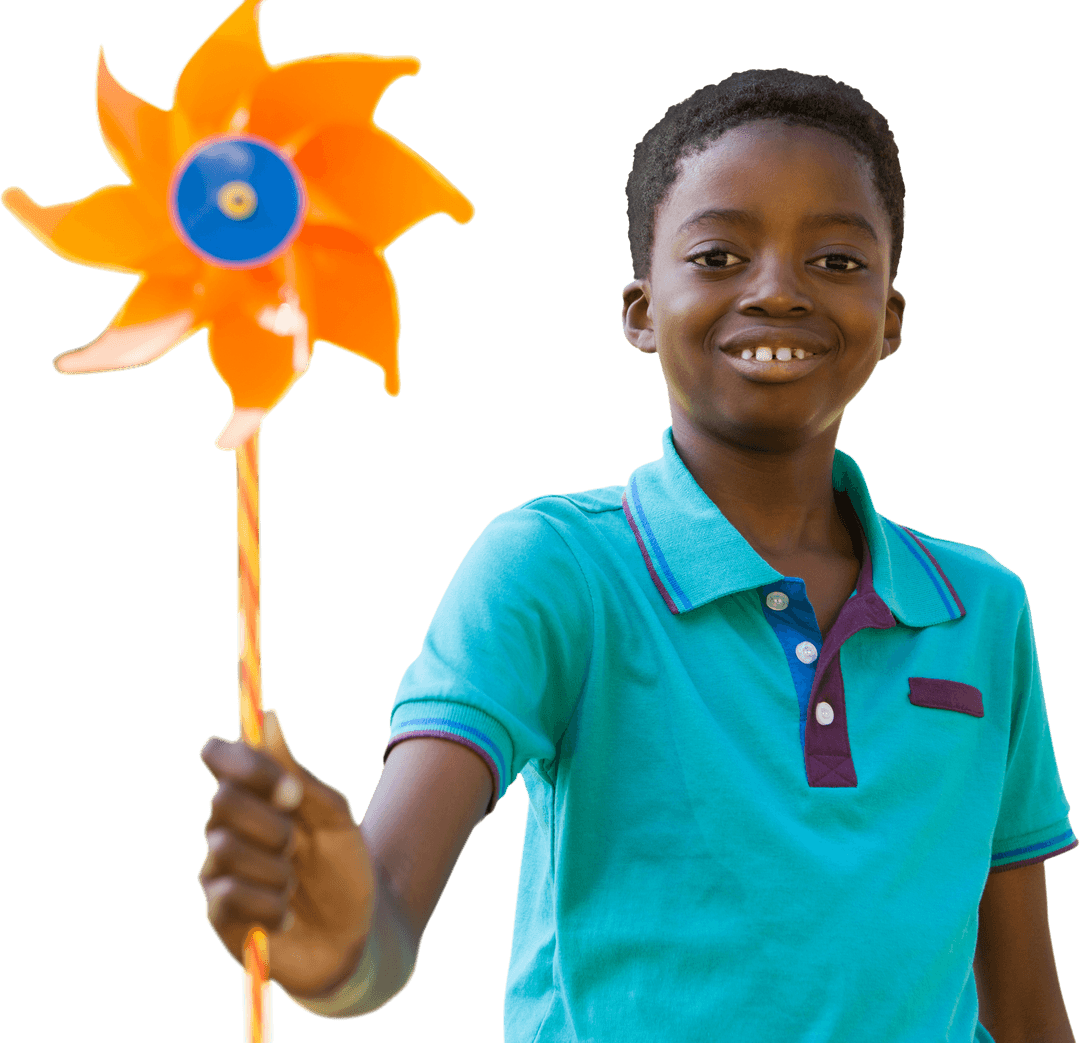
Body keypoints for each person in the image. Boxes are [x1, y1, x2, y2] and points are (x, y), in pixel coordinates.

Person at [198, 69, 1077, 1041]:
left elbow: (1028, 1002)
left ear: (892, 317)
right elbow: (385, 920)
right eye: (717, 253)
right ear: (640, 309)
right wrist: (333, 931)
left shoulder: (984, 611)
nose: (778, 289)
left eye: (835, 259)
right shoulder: (554, 568)